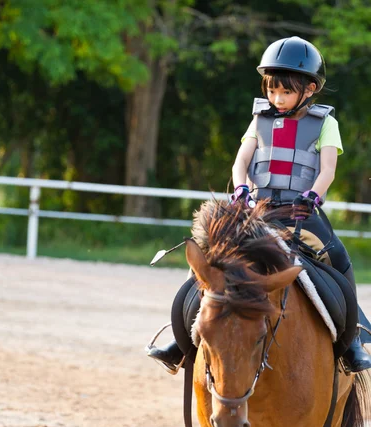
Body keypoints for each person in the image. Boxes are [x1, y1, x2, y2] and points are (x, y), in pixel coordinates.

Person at [147, 36, 371, 373]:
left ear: (309, 89)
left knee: (337, 256)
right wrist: (241, 189)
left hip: (300, 211)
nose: (277, 99)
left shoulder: (326, 123)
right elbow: (241, 163)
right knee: (211, 258)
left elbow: (327, 170)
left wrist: (312, 196)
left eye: (285, 92)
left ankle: (352, 339)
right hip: (259, 209)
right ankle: (182, 339)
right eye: (271, 91)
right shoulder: (259, 119)